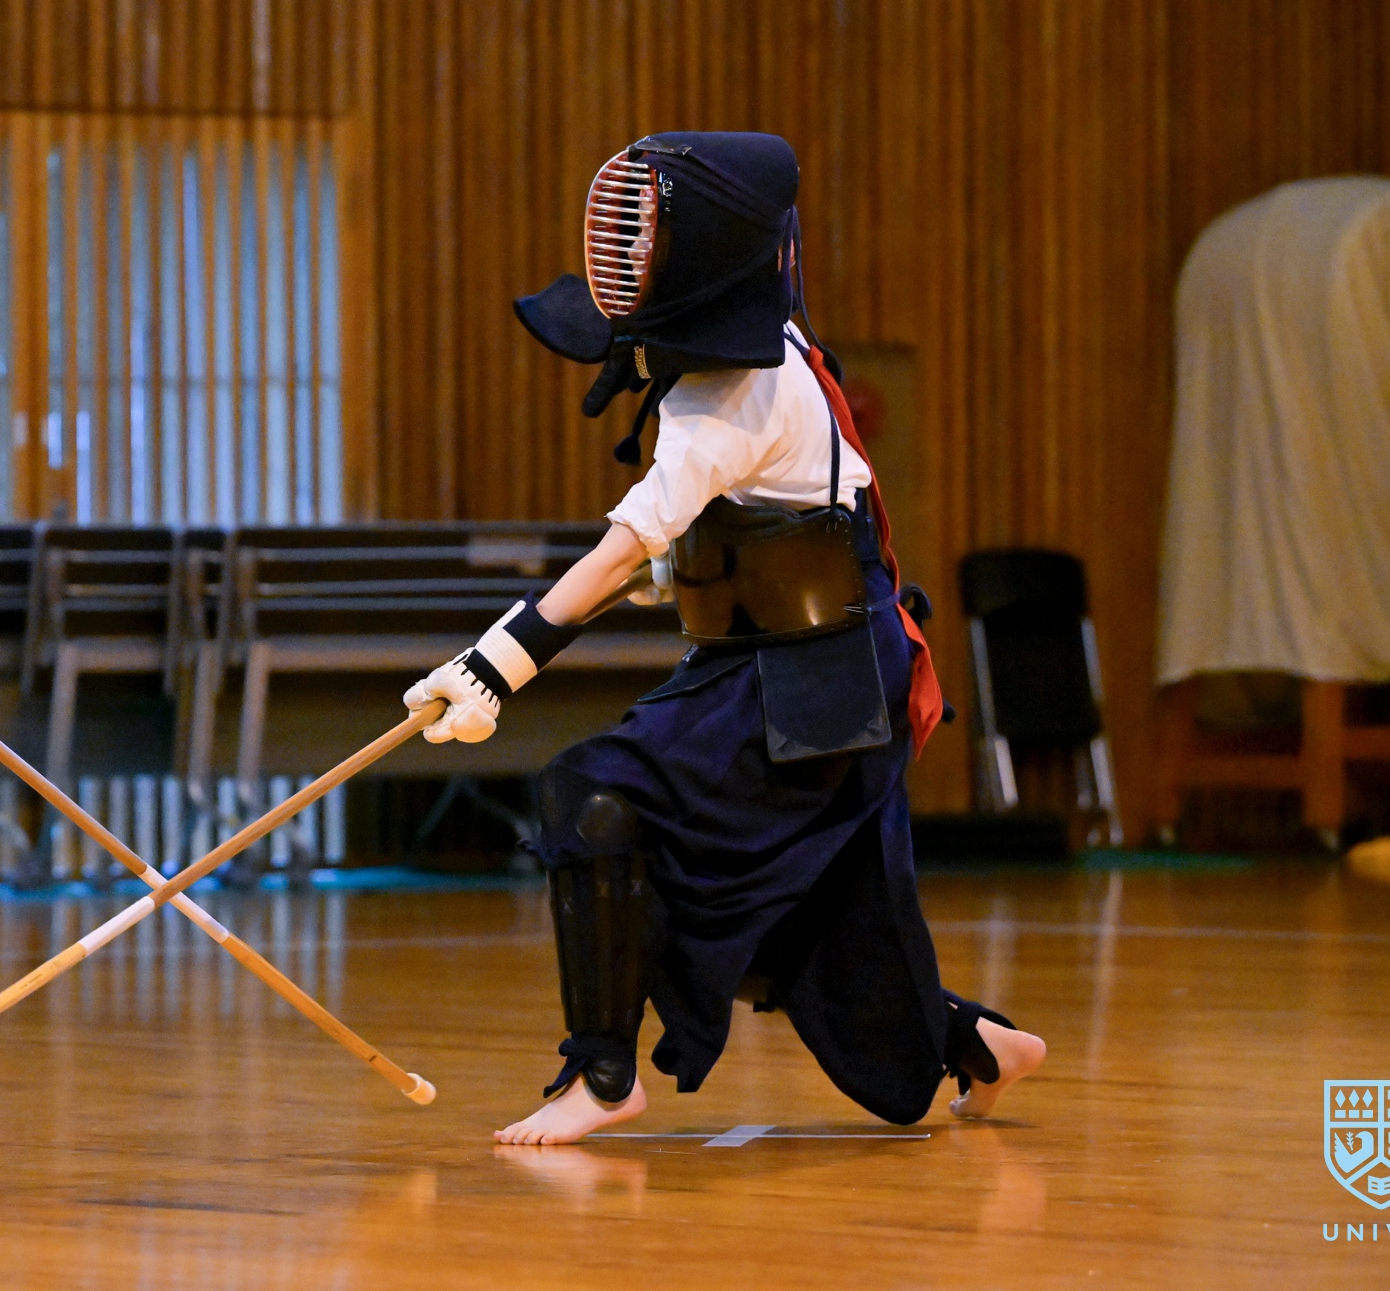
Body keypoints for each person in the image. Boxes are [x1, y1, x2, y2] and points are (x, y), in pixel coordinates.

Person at [398, 132, 1046, 1146]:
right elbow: (712, 532)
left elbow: (623, 547)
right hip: (793, 662)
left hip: (815, 677)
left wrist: (493, 667)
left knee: (594, 796)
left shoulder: (734, 393)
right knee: (788, 914)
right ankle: (976, 1042)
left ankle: (603, 1075)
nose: (627, 252)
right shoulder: (755, 350)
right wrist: (677, 574)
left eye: (648, 236)